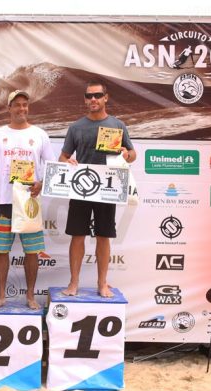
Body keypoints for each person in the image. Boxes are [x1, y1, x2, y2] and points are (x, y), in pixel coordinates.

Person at [59, 80, 136, 298]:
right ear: (85, 100)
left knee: (104, 236)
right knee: (77, 235)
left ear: (105, 97)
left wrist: (125, 153)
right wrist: (67, 162)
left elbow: (132, 155)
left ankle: (102, 284)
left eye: (97, 95)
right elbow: (63, 157)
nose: (93, 99)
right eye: (89, 96)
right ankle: (73, 283)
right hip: (81, 187)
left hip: (108, 188)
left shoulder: (118, 125)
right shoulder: (75, 127)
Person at [0, 90, 56, 310]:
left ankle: (31, 296)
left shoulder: (40, 134)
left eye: (25, 104)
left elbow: (51, 166)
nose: (21, 109)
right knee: (1, 250)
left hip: (28, 202)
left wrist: (41, 184)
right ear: (9, 107)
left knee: (31, 251)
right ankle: (1, 296)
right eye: (17, 105)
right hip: (4, 201)